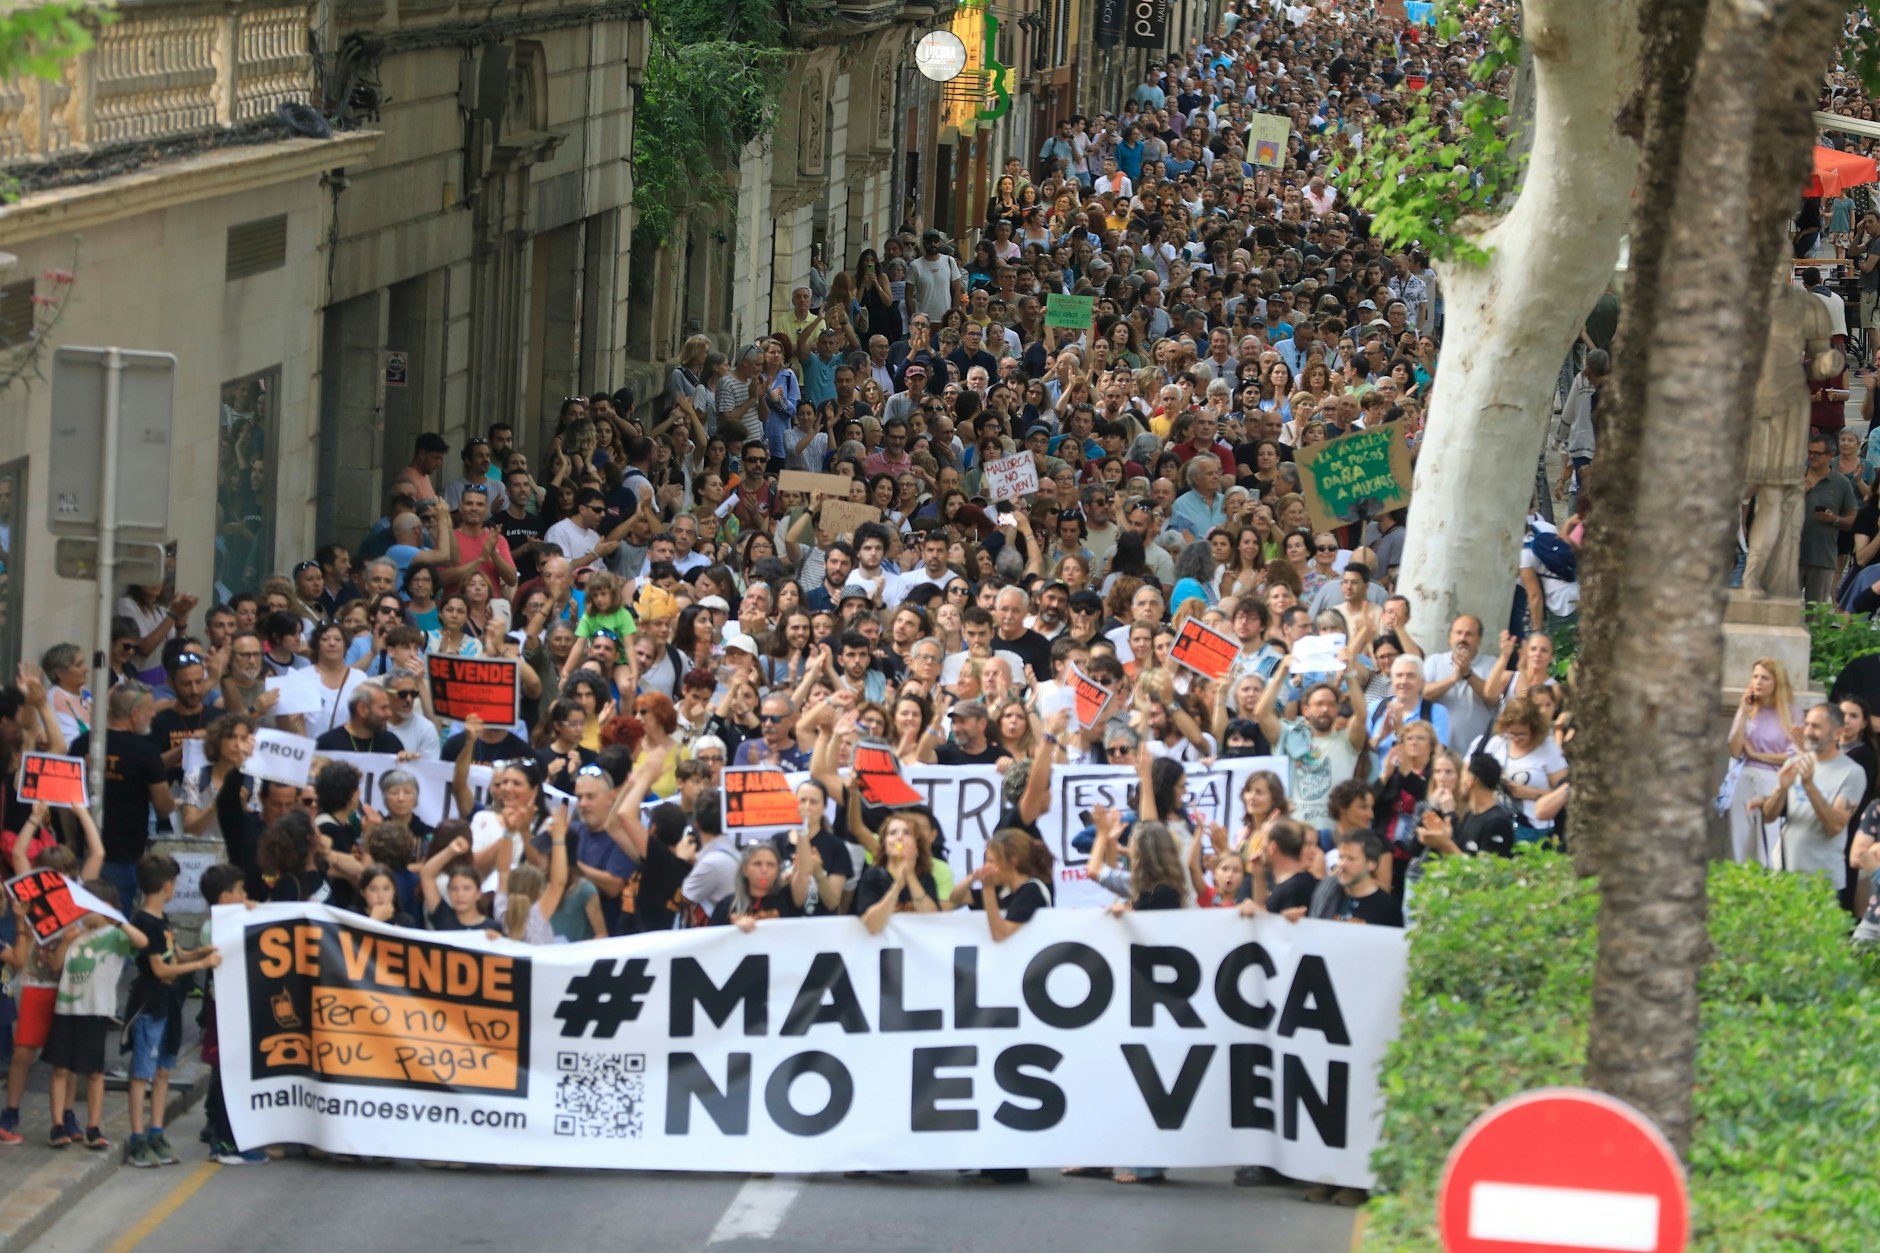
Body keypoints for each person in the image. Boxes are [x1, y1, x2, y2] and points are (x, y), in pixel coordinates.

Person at [123, 852, 222, 1168]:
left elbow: (174, 954)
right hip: (149, 1004)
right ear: (167, 885)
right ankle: (137, 1138)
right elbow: (160, 968)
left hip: (168, 1005)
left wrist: (200, 951)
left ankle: (156, 1131)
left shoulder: (161, 919)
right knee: (142, 1074)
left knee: (164, 1070)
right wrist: (202, 964)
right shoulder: (144, 922)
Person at [46, 888, 148, 1153]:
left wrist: (120, 921)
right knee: (61, 1069)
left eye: (90, 907)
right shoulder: (73, 932)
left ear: (106, 907)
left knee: (94, 1072)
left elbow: (142, 943)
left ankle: (93, 1127)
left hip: (96, 1010)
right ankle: (57, 1125)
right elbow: (55, 965)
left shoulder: (114, 935)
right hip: (66, 1009)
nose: (84, 913)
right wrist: (66, 942)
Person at [1759, 702, 1863, 892]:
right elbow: (1769, 816)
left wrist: (1809, 785)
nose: (1807, 731)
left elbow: (1835, 826)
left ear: (1837, 733)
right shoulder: (1794, 763)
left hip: (1821, 881)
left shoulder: (1853, 772)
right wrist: (1781, 788)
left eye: (1816, 727)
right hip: (1781, 873)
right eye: (1806, 724)